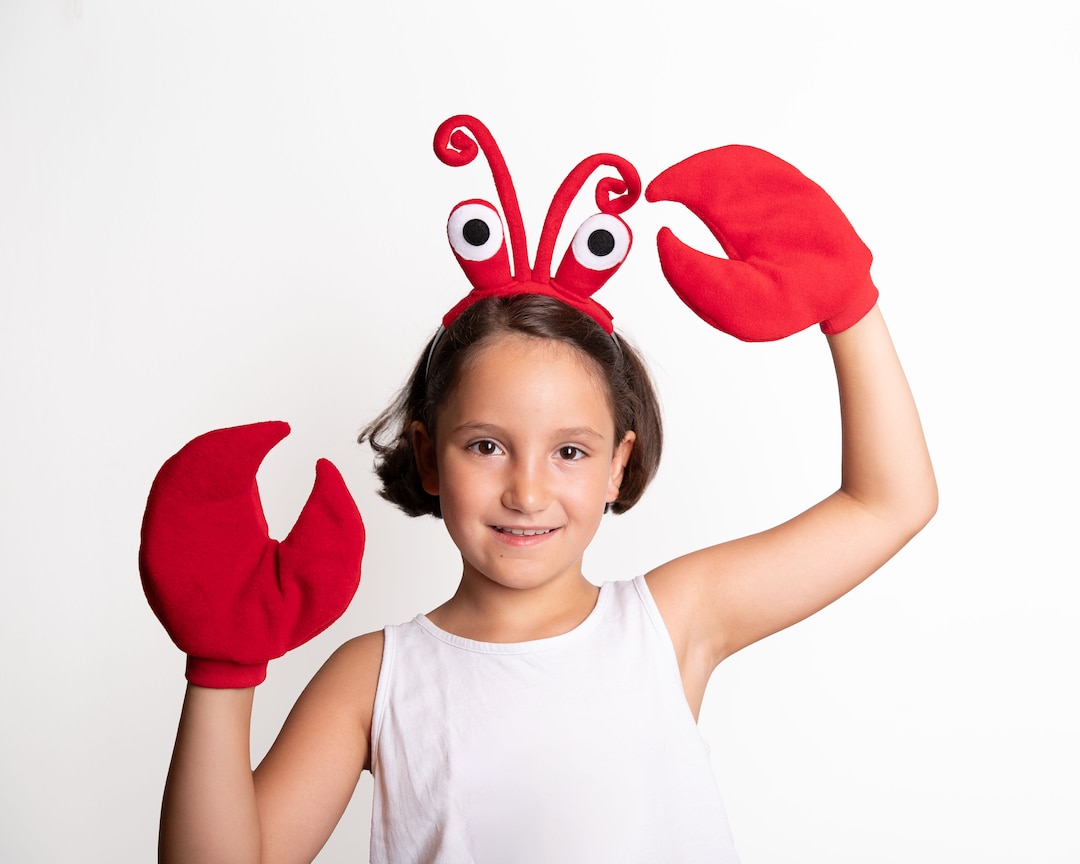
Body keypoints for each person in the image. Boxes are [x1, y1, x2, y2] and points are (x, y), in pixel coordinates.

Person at [142, 117, 937, 863]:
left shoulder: (674, 622)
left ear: (619, 464)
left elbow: (890, 502)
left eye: (569, 451)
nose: (527, 491)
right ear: (427, 456)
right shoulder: (376, 676)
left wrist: (848, 304)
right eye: (486, 446)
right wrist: (222, 666)